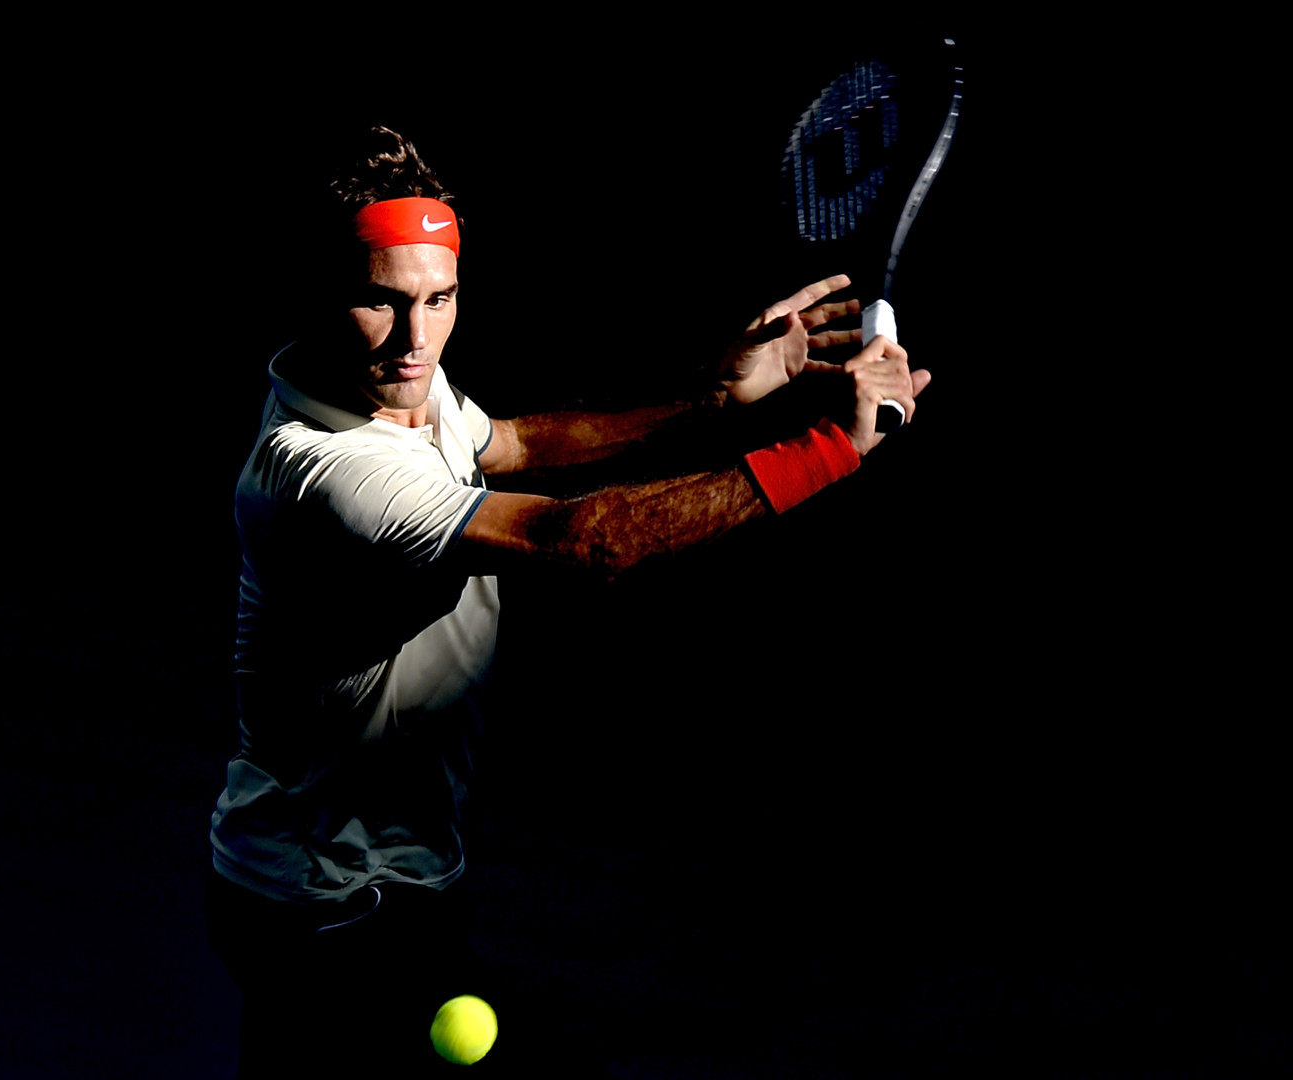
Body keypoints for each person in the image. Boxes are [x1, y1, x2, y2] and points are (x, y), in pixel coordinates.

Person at [206, 125, 927, 1076]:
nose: (416, 338)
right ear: (318, 290)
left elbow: (512, 443)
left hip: (403, 874)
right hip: (321, 908)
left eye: (439, 299)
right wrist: (831, 449)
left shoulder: (396, 391)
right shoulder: (325, 469)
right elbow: (581, 541)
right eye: (380, 302)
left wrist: (713, 400)